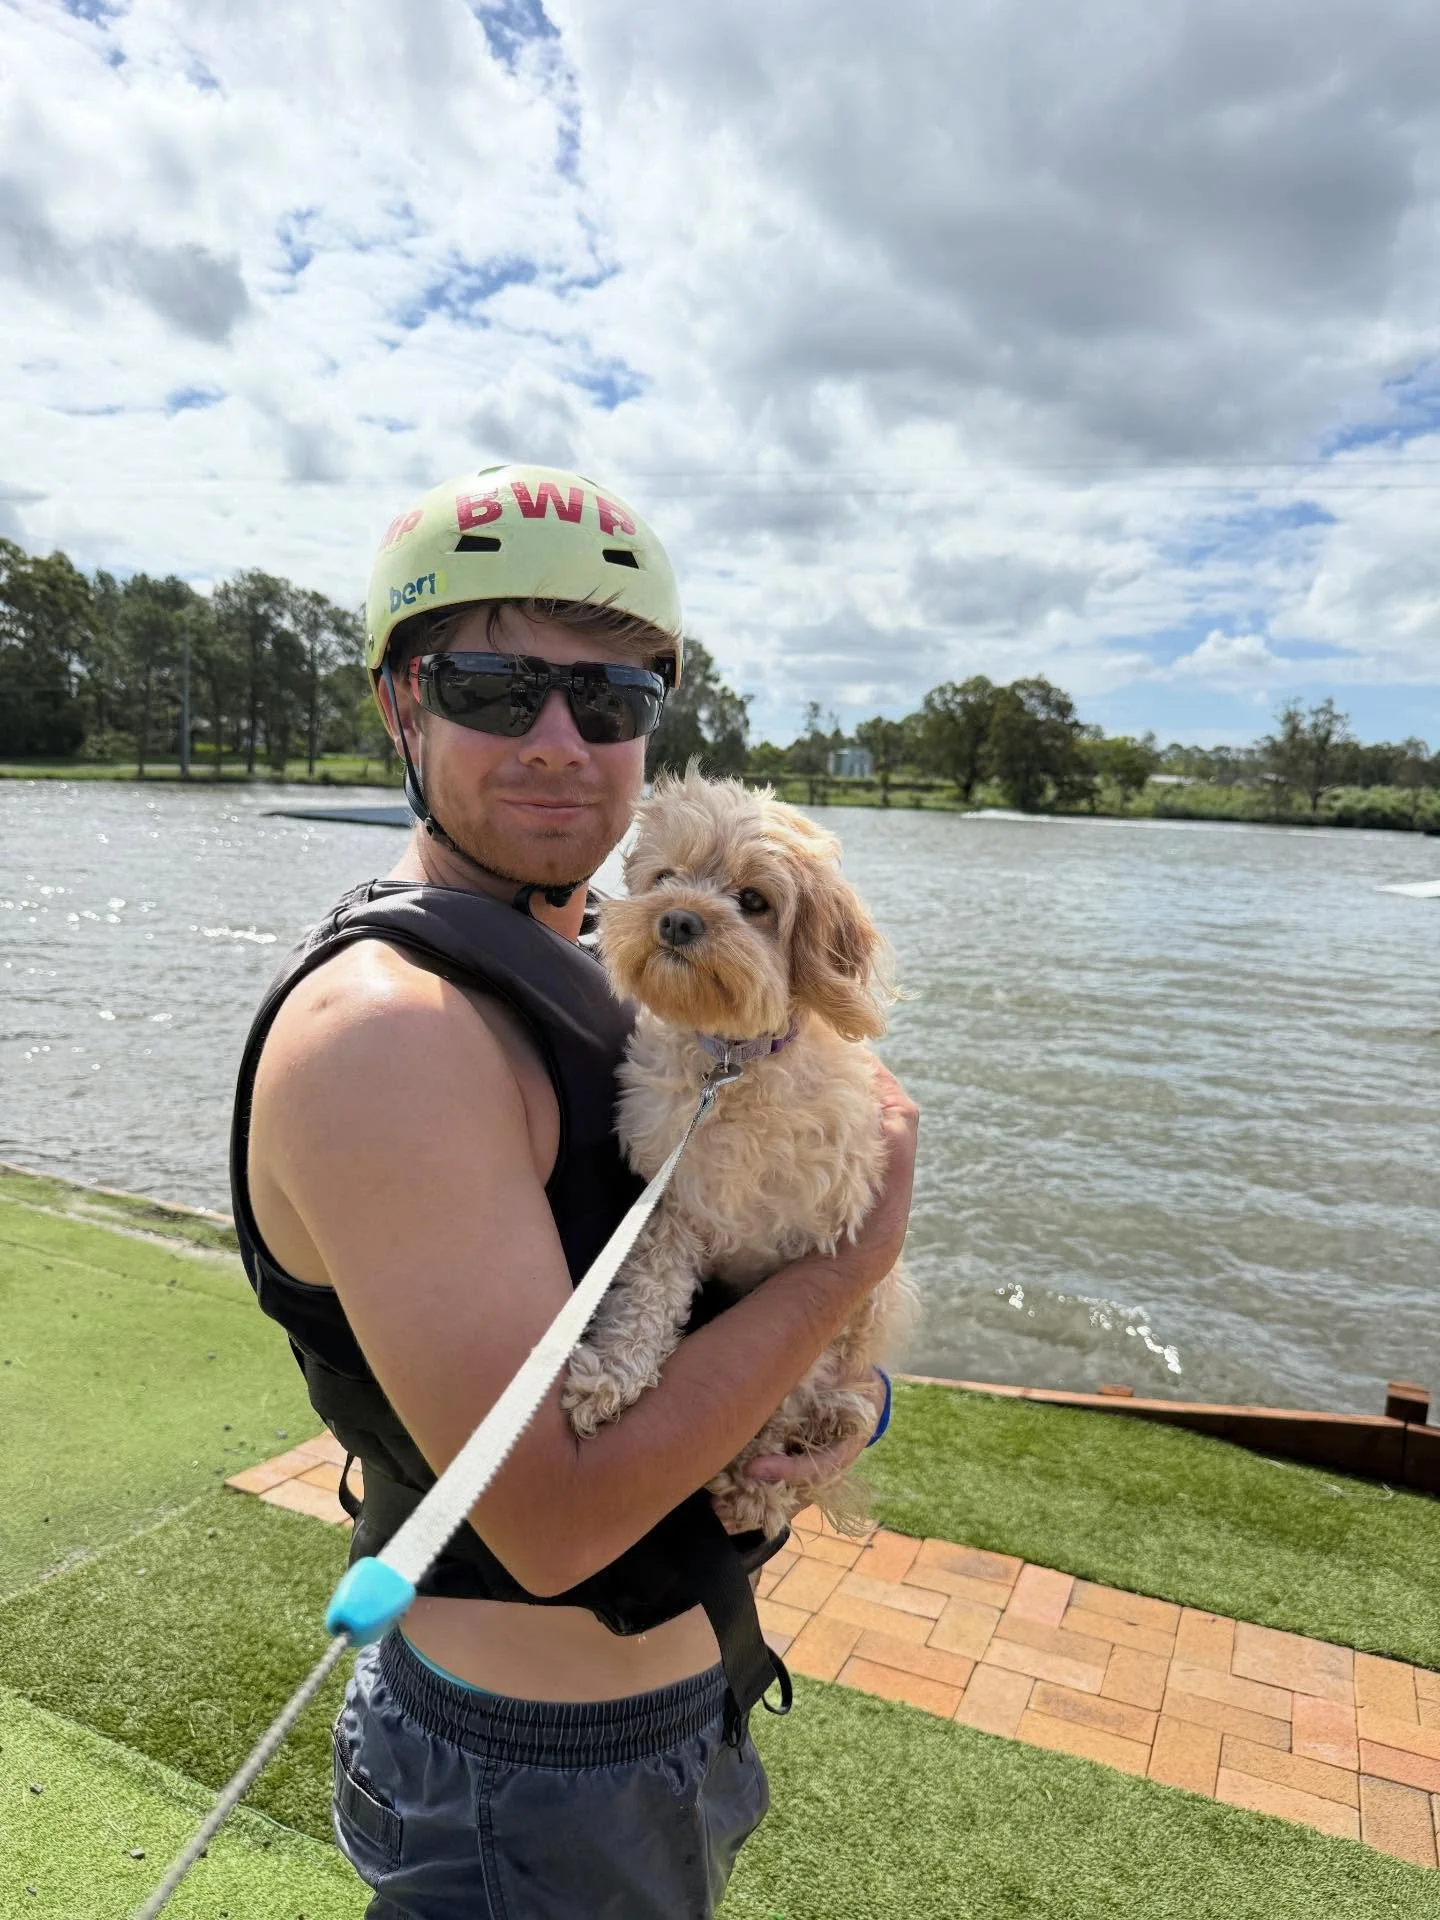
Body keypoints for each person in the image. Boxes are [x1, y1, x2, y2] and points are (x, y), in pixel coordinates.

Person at [229, 462, 918, 1919]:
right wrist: (846, 1271)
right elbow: (551, 1523)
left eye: (608, 699)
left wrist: (848, 1388)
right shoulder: (392, 1037)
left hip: (658, 1722)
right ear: (400, 706)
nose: (559, 743)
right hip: (535, 1776)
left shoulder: (607, 958)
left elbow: (732, 1249)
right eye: (494, 687)